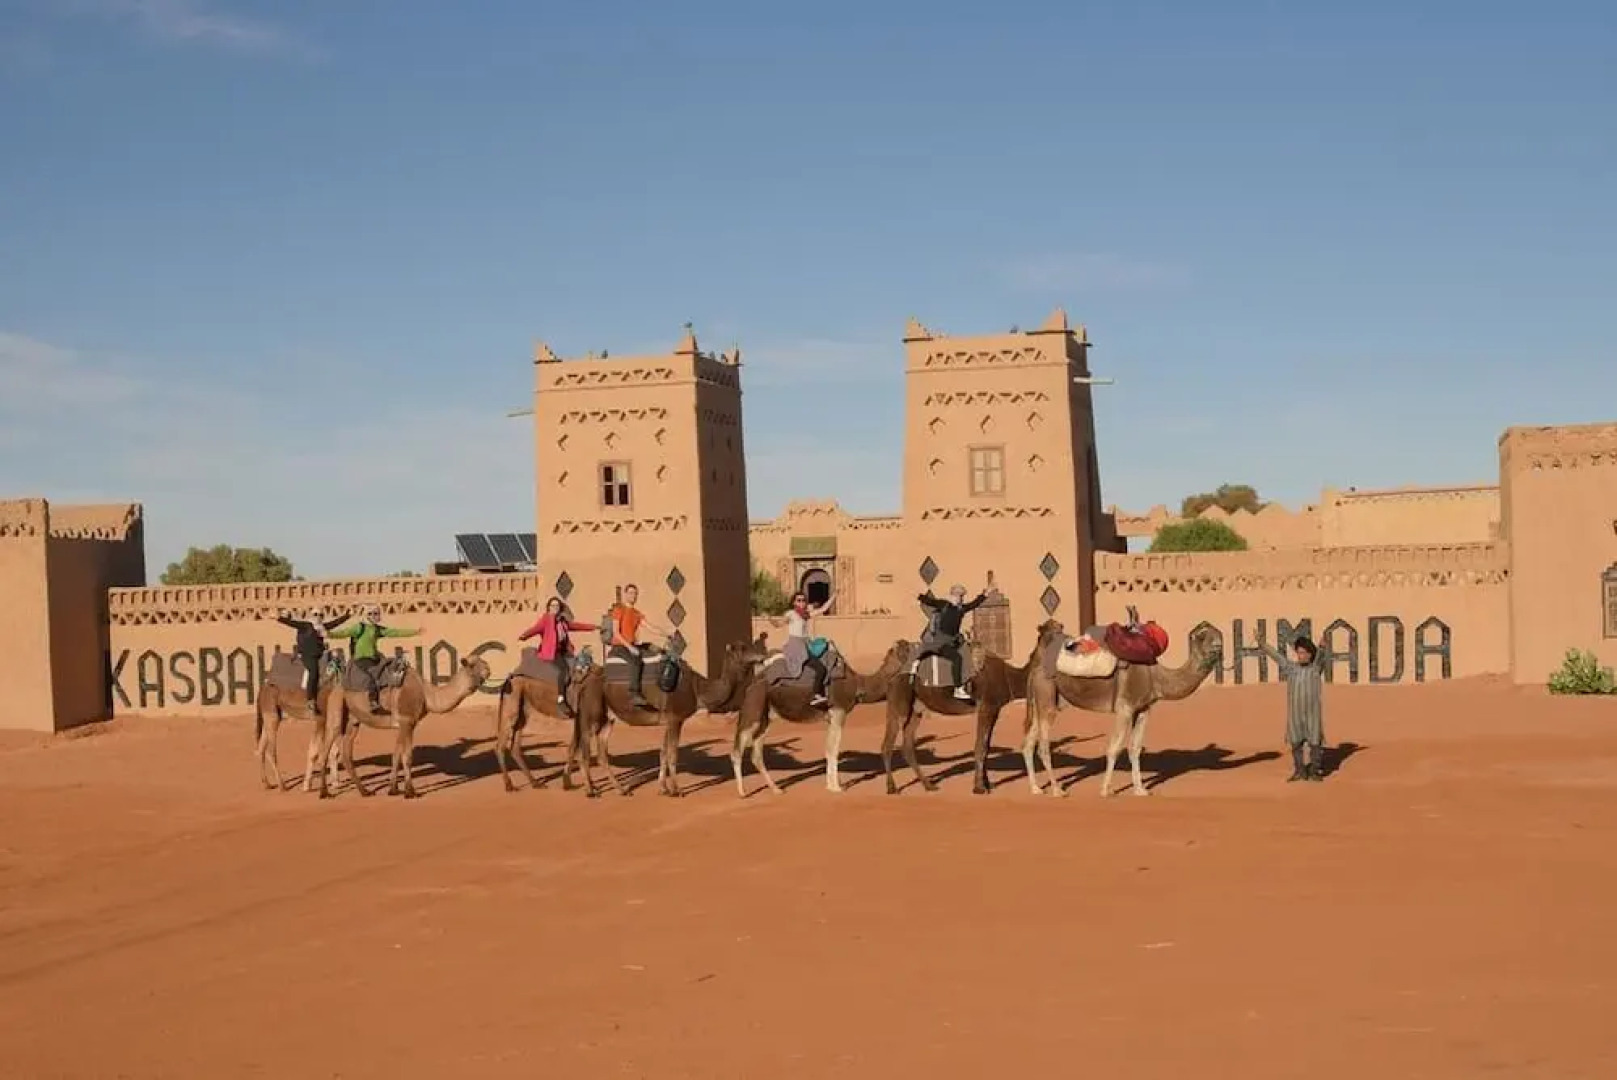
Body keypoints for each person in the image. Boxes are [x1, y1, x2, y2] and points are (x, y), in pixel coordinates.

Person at [1258, 634, 1327, 782]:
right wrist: (1263, 644)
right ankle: (1300, 771)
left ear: (1310, 654)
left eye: (1304, 653)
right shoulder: (1291, 668)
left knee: (1315, 743)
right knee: (1296, 743)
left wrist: (1321, 647)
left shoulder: (1315, 669)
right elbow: (1277, 657)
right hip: (1295, 714)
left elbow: (1321, 657)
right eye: (1299, 652)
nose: (1300, 656)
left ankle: (1314, 771)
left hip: (1312, 714)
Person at [326, 605, 420, 714]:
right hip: (361, 659)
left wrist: (415, 632)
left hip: (375, 659)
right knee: (371, 679)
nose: (376, 616)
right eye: (374, 614)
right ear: (368, 615)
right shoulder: (360, 627)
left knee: (390, 668)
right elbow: (344, 633)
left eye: (377, 614)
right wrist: (329, 634)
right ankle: (373, 702)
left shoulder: (376, 629)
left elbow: (394, 632)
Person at [517, 597, 596, 719]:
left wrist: (593, 627)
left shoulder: (562, 621)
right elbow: (535, 629)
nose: (555, 608)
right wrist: (525, 635)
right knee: (563, 671)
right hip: (551, 653)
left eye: (557, 606)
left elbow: (575, 626)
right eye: (553, 606)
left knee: (579, 667)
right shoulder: (546, 620)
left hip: (564, 651)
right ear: (548, 608)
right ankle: (561, 699)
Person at [917, 584, 988, 699]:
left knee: (968, 652)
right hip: (940, 644)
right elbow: (930, 602)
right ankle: (958, 688)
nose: (960, 598)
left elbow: (973, 604)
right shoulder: (944, 605)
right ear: (951, 596)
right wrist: (919, 595)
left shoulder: (961, 609)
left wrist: (984, 595)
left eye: (961, 596)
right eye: (957, 596)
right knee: (957, 658)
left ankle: (967, 681)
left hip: (953, 641)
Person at [606, 584, 670, 709]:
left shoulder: (636, 613)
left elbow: (650, 627)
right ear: (625, 594)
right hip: (620, 646)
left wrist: (666, 634)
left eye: (635, 593)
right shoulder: (619, 610)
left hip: (632, 644)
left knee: (653, 649)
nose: (633, 596)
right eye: (630, 593)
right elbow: (616, 633)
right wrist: (630, 648)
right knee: (636, 660)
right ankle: (633, 693)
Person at [275, 606, 349, 712]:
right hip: (307, 655)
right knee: (313, 672)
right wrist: (278, 618)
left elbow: (335, 623)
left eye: (321, 615)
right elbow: (292, 623)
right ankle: (310, 700)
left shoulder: (322, 627)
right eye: (316, 615)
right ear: (311, 616)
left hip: (319, 654)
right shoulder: (306, 625)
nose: (318, 617)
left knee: (335, 665)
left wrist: (347, 616)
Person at [769, 591, 831, 707]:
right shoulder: (791, 614)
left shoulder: (805, 615)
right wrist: (772, 621)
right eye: (799, 600)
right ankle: (816, 694)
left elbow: (823, 609)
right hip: (796, 646)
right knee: (820, 668)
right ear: (794, 602)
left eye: (803, 600)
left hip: (805, 644)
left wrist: (834, 596)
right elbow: (781, 623)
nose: (801, 602)